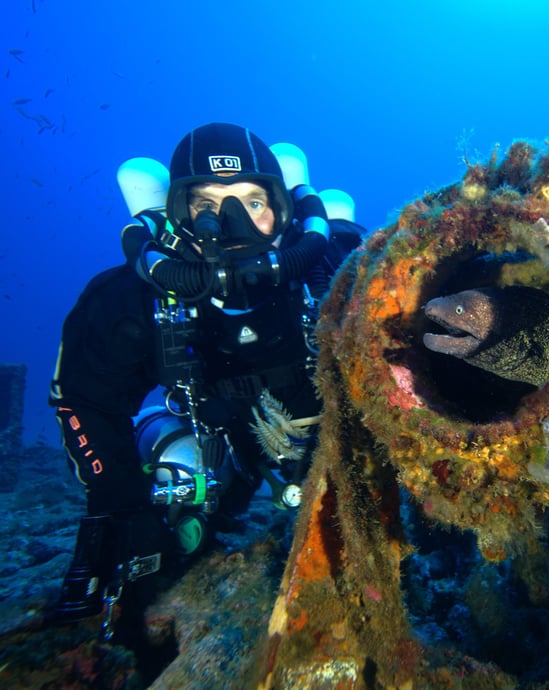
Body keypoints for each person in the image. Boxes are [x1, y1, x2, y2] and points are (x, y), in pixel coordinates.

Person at [49, 122, 363, 641]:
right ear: (177, 217)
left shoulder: (336, 270)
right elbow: (84, 399)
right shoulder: (131, 300)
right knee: (174, 506)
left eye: (253, 202)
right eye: (207, 206)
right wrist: (120, 502)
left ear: (284, 213)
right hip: (220, 438)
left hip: (333, 430)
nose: (232, 223)